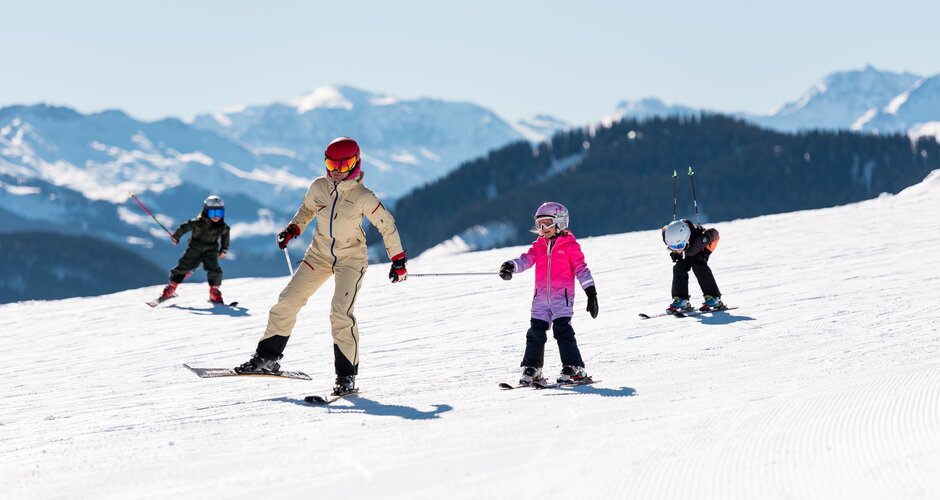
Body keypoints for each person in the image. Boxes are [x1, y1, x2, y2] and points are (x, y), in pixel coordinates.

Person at [235, 137, 407, 396]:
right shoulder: (319, 186)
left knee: (340, 313)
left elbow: (387, 225)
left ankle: (346, 377)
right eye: (331, 163)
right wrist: (293, 229)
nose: (337, 171)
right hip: (318, 256)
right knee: (287, 301)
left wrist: (398, 260)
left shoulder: (363, 196)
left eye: (344, 164)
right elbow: (306, 210)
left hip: (351, 260)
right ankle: (267, 359)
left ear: (356, 163)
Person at [499, 202, 598, 385]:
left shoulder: (570, 246)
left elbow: (582, 270)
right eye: (539, 224)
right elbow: (526, 260)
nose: (542, 229)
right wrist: (510, 266)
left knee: (563, 332)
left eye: (547, 223)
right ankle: (533, 368)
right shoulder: (538, 246)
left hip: (562, 298)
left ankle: (573, 367)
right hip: (540, 299)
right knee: (535, 332)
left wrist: (591, 293)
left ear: (560, 222)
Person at [158, 195, 230, 304]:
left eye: (219, 213)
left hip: (211, 250)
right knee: (183, 267)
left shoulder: (222, 226)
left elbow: (225, 235)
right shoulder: (199, 222)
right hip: (194, 248)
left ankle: (214, 292)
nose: (216, 217)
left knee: (214, 270)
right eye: (212, 213)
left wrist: (223, 249)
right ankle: (171, 288)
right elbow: (185, 227)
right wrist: (176, 236)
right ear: (206, 212)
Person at [662, 218, 724, 313]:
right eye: (672, 247)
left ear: (686, 240)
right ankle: (681, 299)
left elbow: (715, 233)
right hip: (687, 252)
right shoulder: (668, 236)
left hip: (701, 250)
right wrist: (676, 251)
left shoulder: (700, 239)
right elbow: (671, 238)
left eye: (678, 246)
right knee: (678, 268)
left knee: (698, 266)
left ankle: (714, 298)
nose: (676, 249)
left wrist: (706, 237)